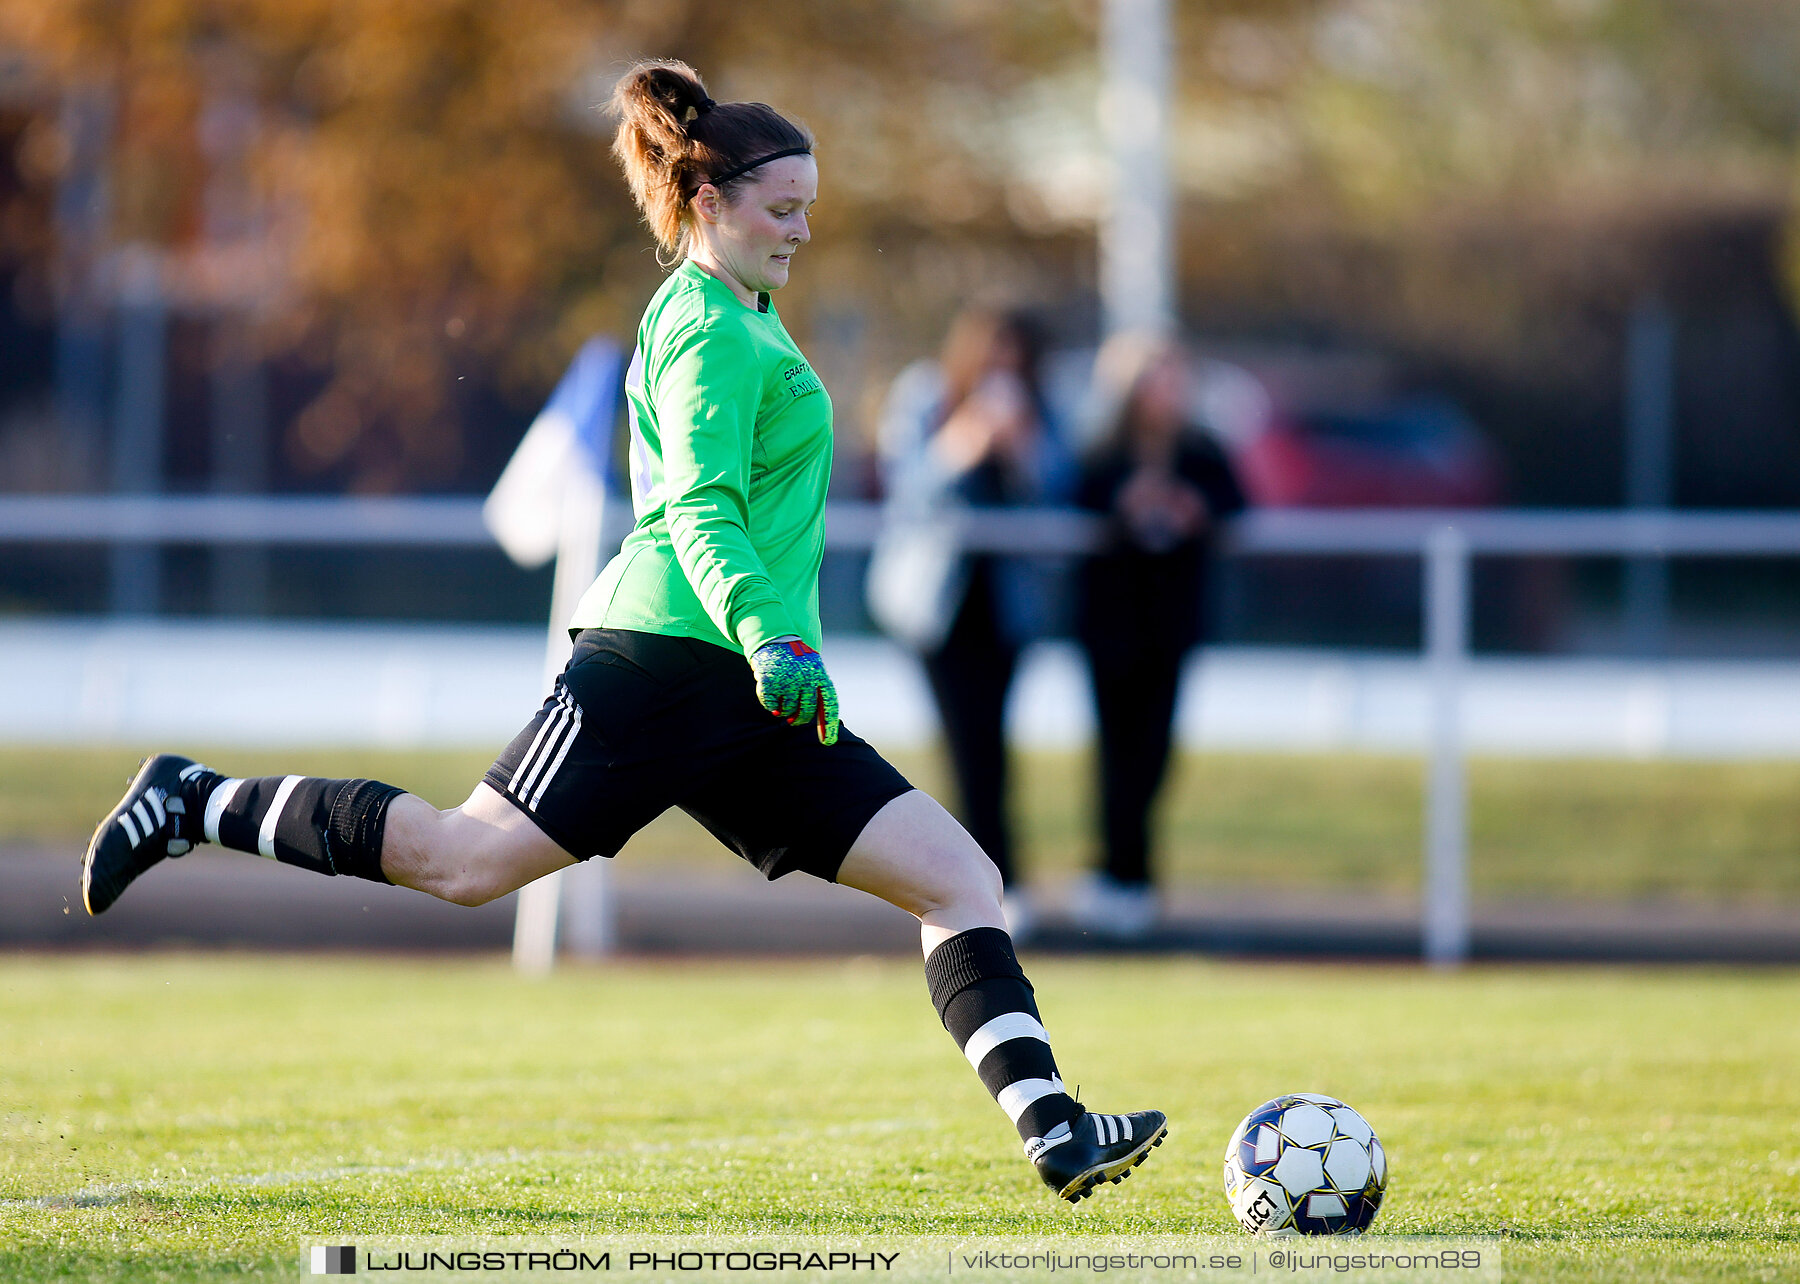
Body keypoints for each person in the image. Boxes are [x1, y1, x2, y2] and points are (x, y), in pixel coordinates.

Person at [81, 60, 1163, 1204]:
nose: (802, 230)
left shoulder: (749, 314)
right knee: (464, 863)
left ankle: (1055, 1134)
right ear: (708, 202)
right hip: (657, 666)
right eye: (781, 209)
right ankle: (191, 798)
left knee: (959, 877)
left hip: (755, 689)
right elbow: (695, 508)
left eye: (809, 208)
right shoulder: (702, 327)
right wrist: (770, 634)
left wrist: (771, 652)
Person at [867, 307, 1073, 932]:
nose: (1003, 371)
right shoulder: (925, 395)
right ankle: (976, 883)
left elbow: (1063, 487)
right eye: (992, 356)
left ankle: (991, 881)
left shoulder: (1047, 408)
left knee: (994, 745)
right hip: (938, 606)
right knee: (965, 747)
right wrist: (963, 445)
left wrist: (1024, 449)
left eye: (1016, 359)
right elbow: (906, 488)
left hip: (1008, 608)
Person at [1070, 332, 1246, 938]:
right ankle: (1115, 876)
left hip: (1172, 625)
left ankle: (1135, 875)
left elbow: (1238, 503)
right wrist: (1125, 505)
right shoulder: (1103, 453)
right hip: (1109, 623)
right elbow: (1076, 502)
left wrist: (1194, 507)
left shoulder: (1202, 452)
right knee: (1114, 752)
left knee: (1154, 753)